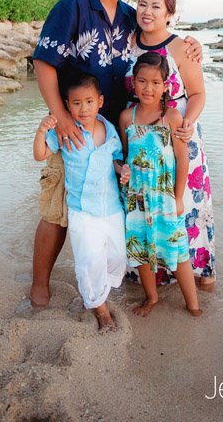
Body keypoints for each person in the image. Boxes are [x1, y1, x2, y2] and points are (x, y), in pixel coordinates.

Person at [30, 0, 202, 307]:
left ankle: (119, 278)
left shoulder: (128, 15)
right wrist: (60, 118)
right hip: (75, 127)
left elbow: (158, 40)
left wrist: (192, 44)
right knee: (59, 206)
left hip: (118, 134)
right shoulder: (73, 6)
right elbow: (43, 62)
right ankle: (41, 283)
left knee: (113, 206)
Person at [124, 0, 215, 288]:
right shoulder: (127, 41)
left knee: (183, 207)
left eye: (157, 6)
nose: (147, 12)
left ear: (169, 14)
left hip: (178, 138)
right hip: (140, 140)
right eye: (143, 4)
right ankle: (152, 279)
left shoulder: (181, 47)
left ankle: (197, 276)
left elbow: (198, 93)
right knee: (148, 208)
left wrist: (188, 122)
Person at [33, 73, 132, 332]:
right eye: (76, 103)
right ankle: (99, 308)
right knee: (89, 260)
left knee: (117, 256)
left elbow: (117, 161)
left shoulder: (109, 131)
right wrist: (42, 130)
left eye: (89, 102)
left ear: (100, 102)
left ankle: (99, 292)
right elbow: (40, 154)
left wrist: (123, 171)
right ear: (67, 105)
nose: (83, 108)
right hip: (82, 211)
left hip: (111, 209)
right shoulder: (65, 132)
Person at [119, 52, 202, 318]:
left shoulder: (172, 117)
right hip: (136, 197)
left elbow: (182, 159)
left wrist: (178, 198)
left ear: (166, 85)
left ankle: (193, 304)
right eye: (142, 81)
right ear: (133, 82)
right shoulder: (126, 118)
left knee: (177, 251)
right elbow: (124, 156)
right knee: (141, 249)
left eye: (155, 82)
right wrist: (123, 169)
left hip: (165, 197)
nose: (148, 88)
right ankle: (151, 298)